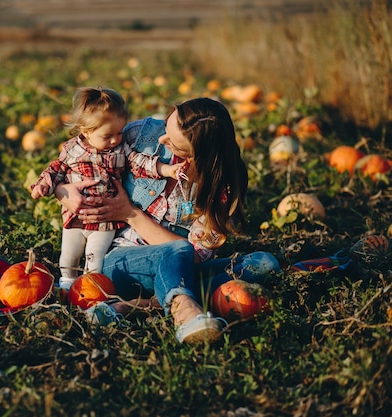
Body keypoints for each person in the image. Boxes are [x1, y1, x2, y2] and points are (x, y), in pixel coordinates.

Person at [54, 97, 280, 343]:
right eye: (167, 128)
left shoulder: (219, 187)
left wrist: (131, 214)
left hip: (179, 265)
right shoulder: (141, 134)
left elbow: (196, 255)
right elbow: (78, 154)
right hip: (119, 262)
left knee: (263, 263)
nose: (162, 140)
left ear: (199, 155)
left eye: (173, 143)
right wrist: (63, 192)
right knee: (180, 250)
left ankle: (143, 304)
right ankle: (184, 311)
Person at [31, 86, 187, 291]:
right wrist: (44, 185)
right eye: (107, 136)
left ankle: (89, 289)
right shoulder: (72, 150)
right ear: (86, 131)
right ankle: (67, 285)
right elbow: (55, 170)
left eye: (119, 133)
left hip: (107, 220)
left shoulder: (121, 150)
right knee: (68, 256)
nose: (115, 140)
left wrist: (167, 170)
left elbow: (141, 163)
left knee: (95, 261)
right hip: (76, 217)